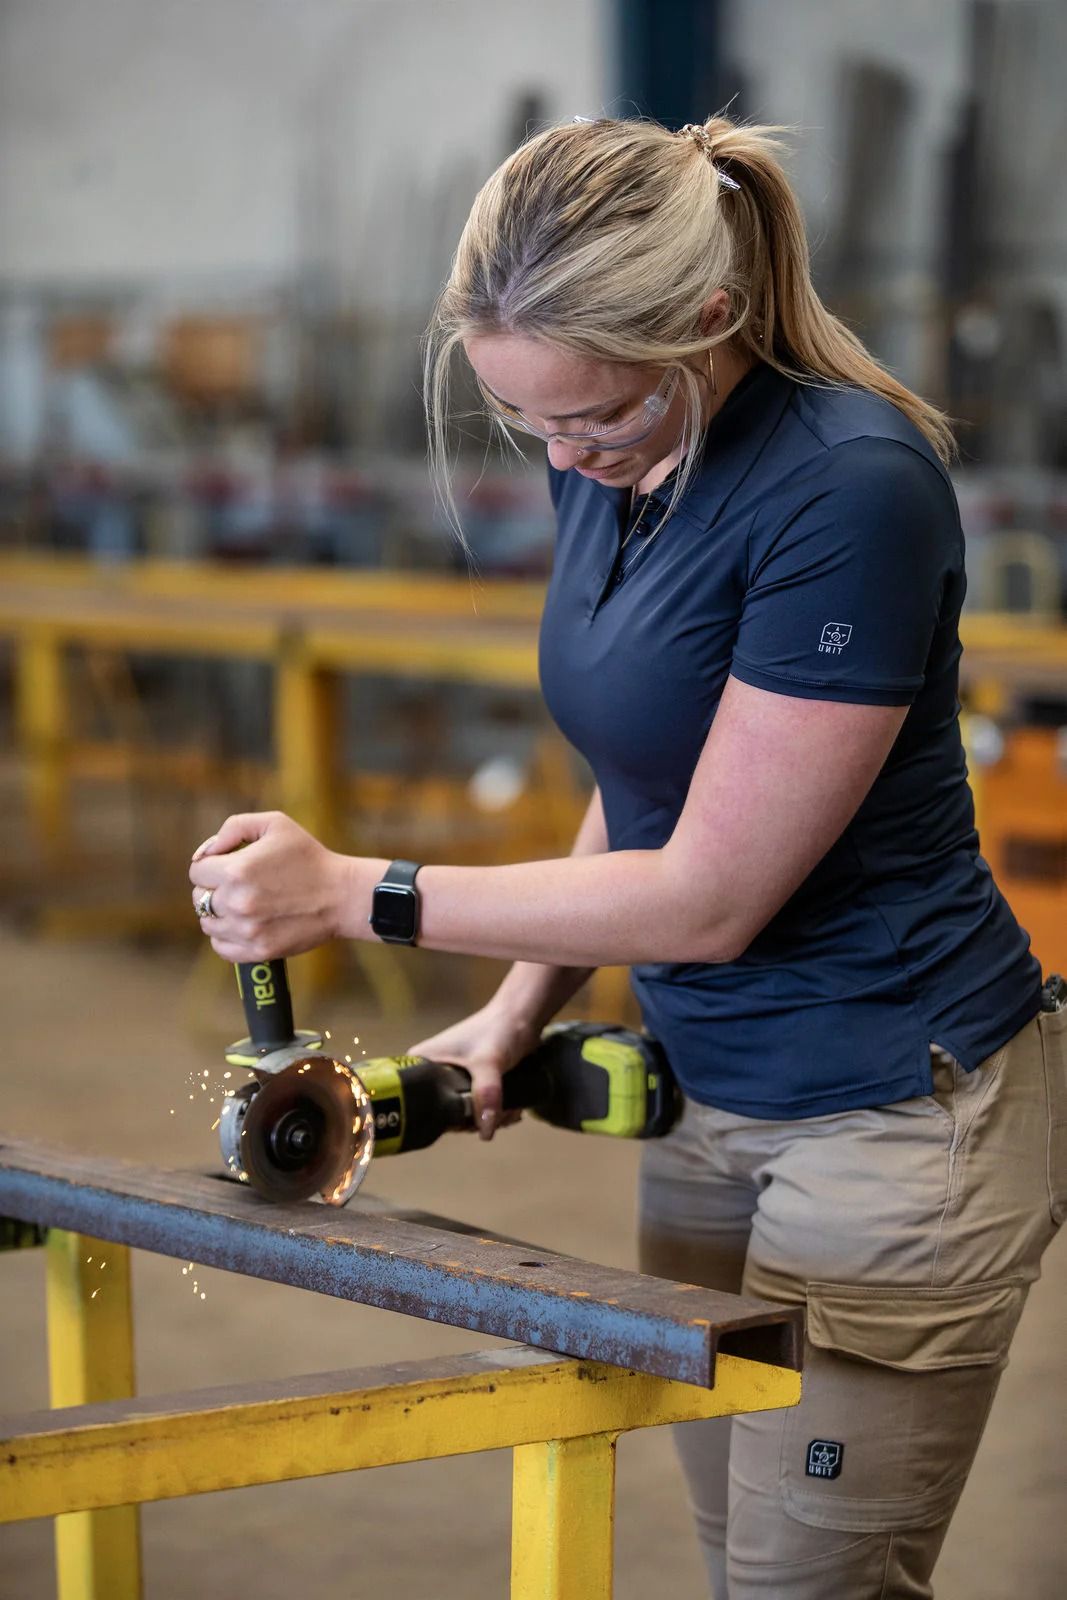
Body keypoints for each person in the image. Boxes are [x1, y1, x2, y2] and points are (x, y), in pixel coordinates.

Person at [189, 115, 1067, 1598]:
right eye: (525, 423)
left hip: (893, 1122)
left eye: (588, 418)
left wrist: (362, 894)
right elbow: (654, 789)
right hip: (709, 1097)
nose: (561, 459)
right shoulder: (612, 455)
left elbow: (711, 891)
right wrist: (520, 1009)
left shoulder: (850, 488)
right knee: (740, 1557)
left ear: (707, 323)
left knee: (814, 1587)